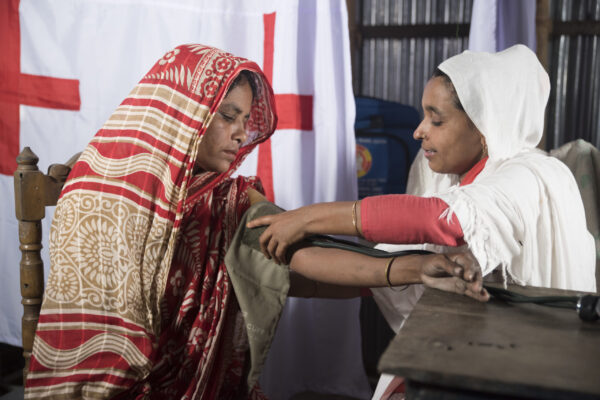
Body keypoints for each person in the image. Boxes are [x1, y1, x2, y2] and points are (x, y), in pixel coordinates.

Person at [24, 44, 486, 400]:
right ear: (184, 112)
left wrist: (409, 269)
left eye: (246, 119)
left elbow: (296, 253)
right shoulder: (98, 182)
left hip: (188, 383)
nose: (243, 133)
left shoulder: (228, 196)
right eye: (228, 116)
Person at [248, 44, 597, 294]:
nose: (419, 131)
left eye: (437, 119)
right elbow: (380, 270)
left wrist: (305, 218)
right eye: (423, 115)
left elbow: (438, 220)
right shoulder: (444, 176)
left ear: (483, 126)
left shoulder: (531, 175)